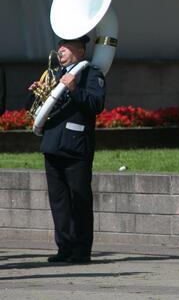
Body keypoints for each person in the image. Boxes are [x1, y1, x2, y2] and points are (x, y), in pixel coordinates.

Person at [28, 35, 105, 263]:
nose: (59, 50)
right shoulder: (54, 74)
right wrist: (34, 93)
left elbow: (96, 105)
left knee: (79, 198)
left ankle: (81, 250)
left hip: (76, 145)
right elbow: (35, 110)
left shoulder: (91, 73)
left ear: (80, 50)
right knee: (58, 199)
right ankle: (65, 246)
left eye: (65, 46)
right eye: (59, 46)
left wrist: (74, 89)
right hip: (52, 143)